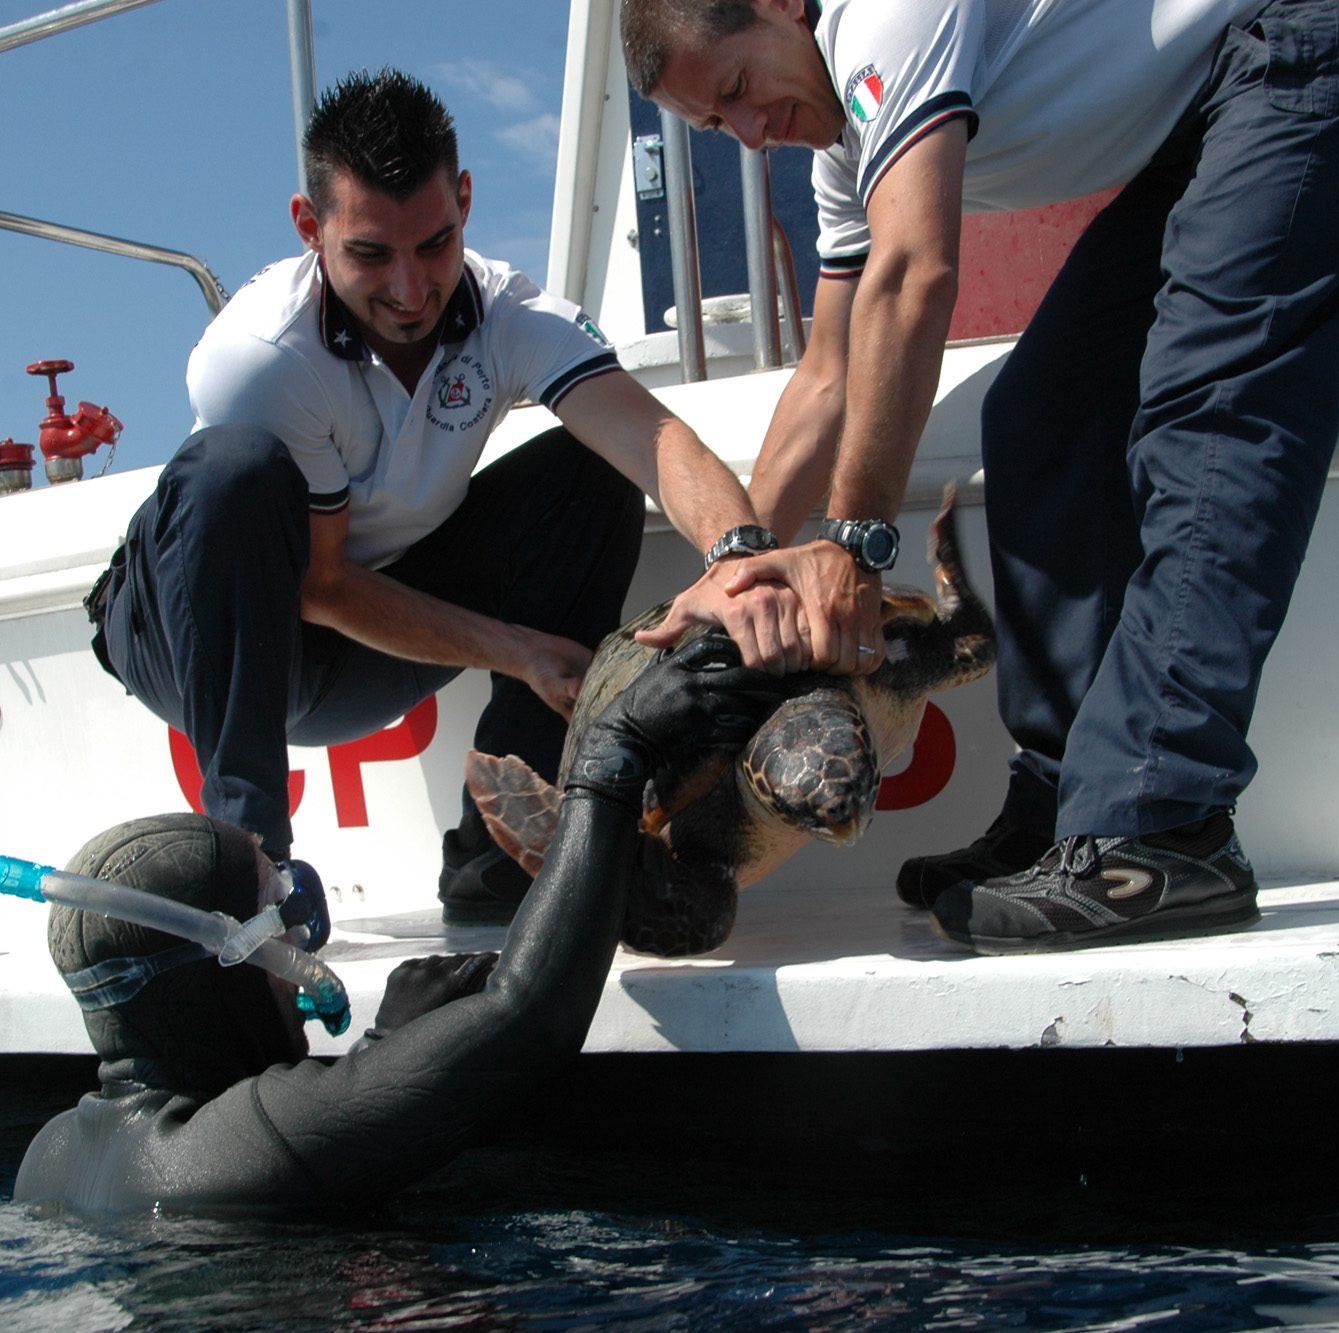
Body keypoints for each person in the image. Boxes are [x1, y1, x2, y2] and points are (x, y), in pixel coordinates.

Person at [621, 0, 1339, 951]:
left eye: (735, 87)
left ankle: (1159, 823)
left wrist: (854, 545)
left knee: (1208, 407)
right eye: (710, 125)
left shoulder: (879, 24)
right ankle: (1067, 804)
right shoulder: (844, 160)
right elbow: (827, 376)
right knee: (1038, 417)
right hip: (1217, 106)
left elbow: (916, 270)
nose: (747, 131)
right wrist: (735, 568)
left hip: (1321, 32)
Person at [89, 68, 843, 929]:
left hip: (352, 640)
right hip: (196, 634)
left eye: (434, 245)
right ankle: (248, 872)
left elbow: (651, 437)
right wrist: (522, 648)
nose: (410, 292)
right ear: (309, 226)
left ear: (468, 204)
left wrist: (742, 563)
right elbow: (320, 582)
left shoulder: (508, 311)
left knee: (588, 473)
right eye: (371, 253)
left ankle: (500, 852)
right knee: (233, 471)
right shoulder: (257, 352)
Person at [16, 635, 787, 1215]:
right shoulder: (241, 1148)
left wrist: (386, 1052)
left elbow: (320, 1129)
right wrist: (614, 759)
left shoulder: (47, 1157)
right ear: (222, 957)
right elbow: (530, 1014)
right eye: (289, 912)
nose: (303, 947)